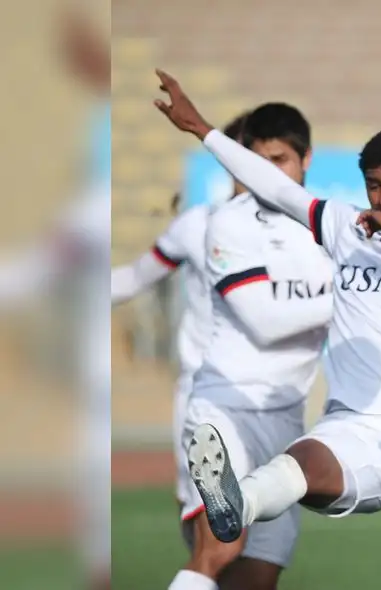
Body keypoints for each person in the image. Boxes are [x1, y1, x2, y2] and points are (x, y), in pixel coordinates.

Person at [154, 68, 381, 590]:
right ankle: (239, 501)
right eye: (375, 185)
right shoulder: (346, 228)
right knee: (304, 461)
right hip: (355, 426)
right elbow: (275, 186)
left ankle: (245, 500)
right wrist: (201, 129)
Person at [163, 101, 338, 590]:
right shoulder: (229, 224)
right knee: (221, 547)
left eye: (279, 160)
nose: (267, 172)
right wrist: (345, 301)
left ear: (306, 158)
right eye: (257, 160)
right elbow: (265, 322)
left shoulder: (330, 226)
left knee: (259, 577)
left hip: (285, 416)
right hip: (226, 410)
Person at [111, 113, 248, 541]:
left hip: (268, 392)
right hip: (201, 389)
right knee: (198, 514)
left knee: (261, 527)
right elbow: (136, 277)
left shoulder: (299, 232)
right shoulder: (196, 224)